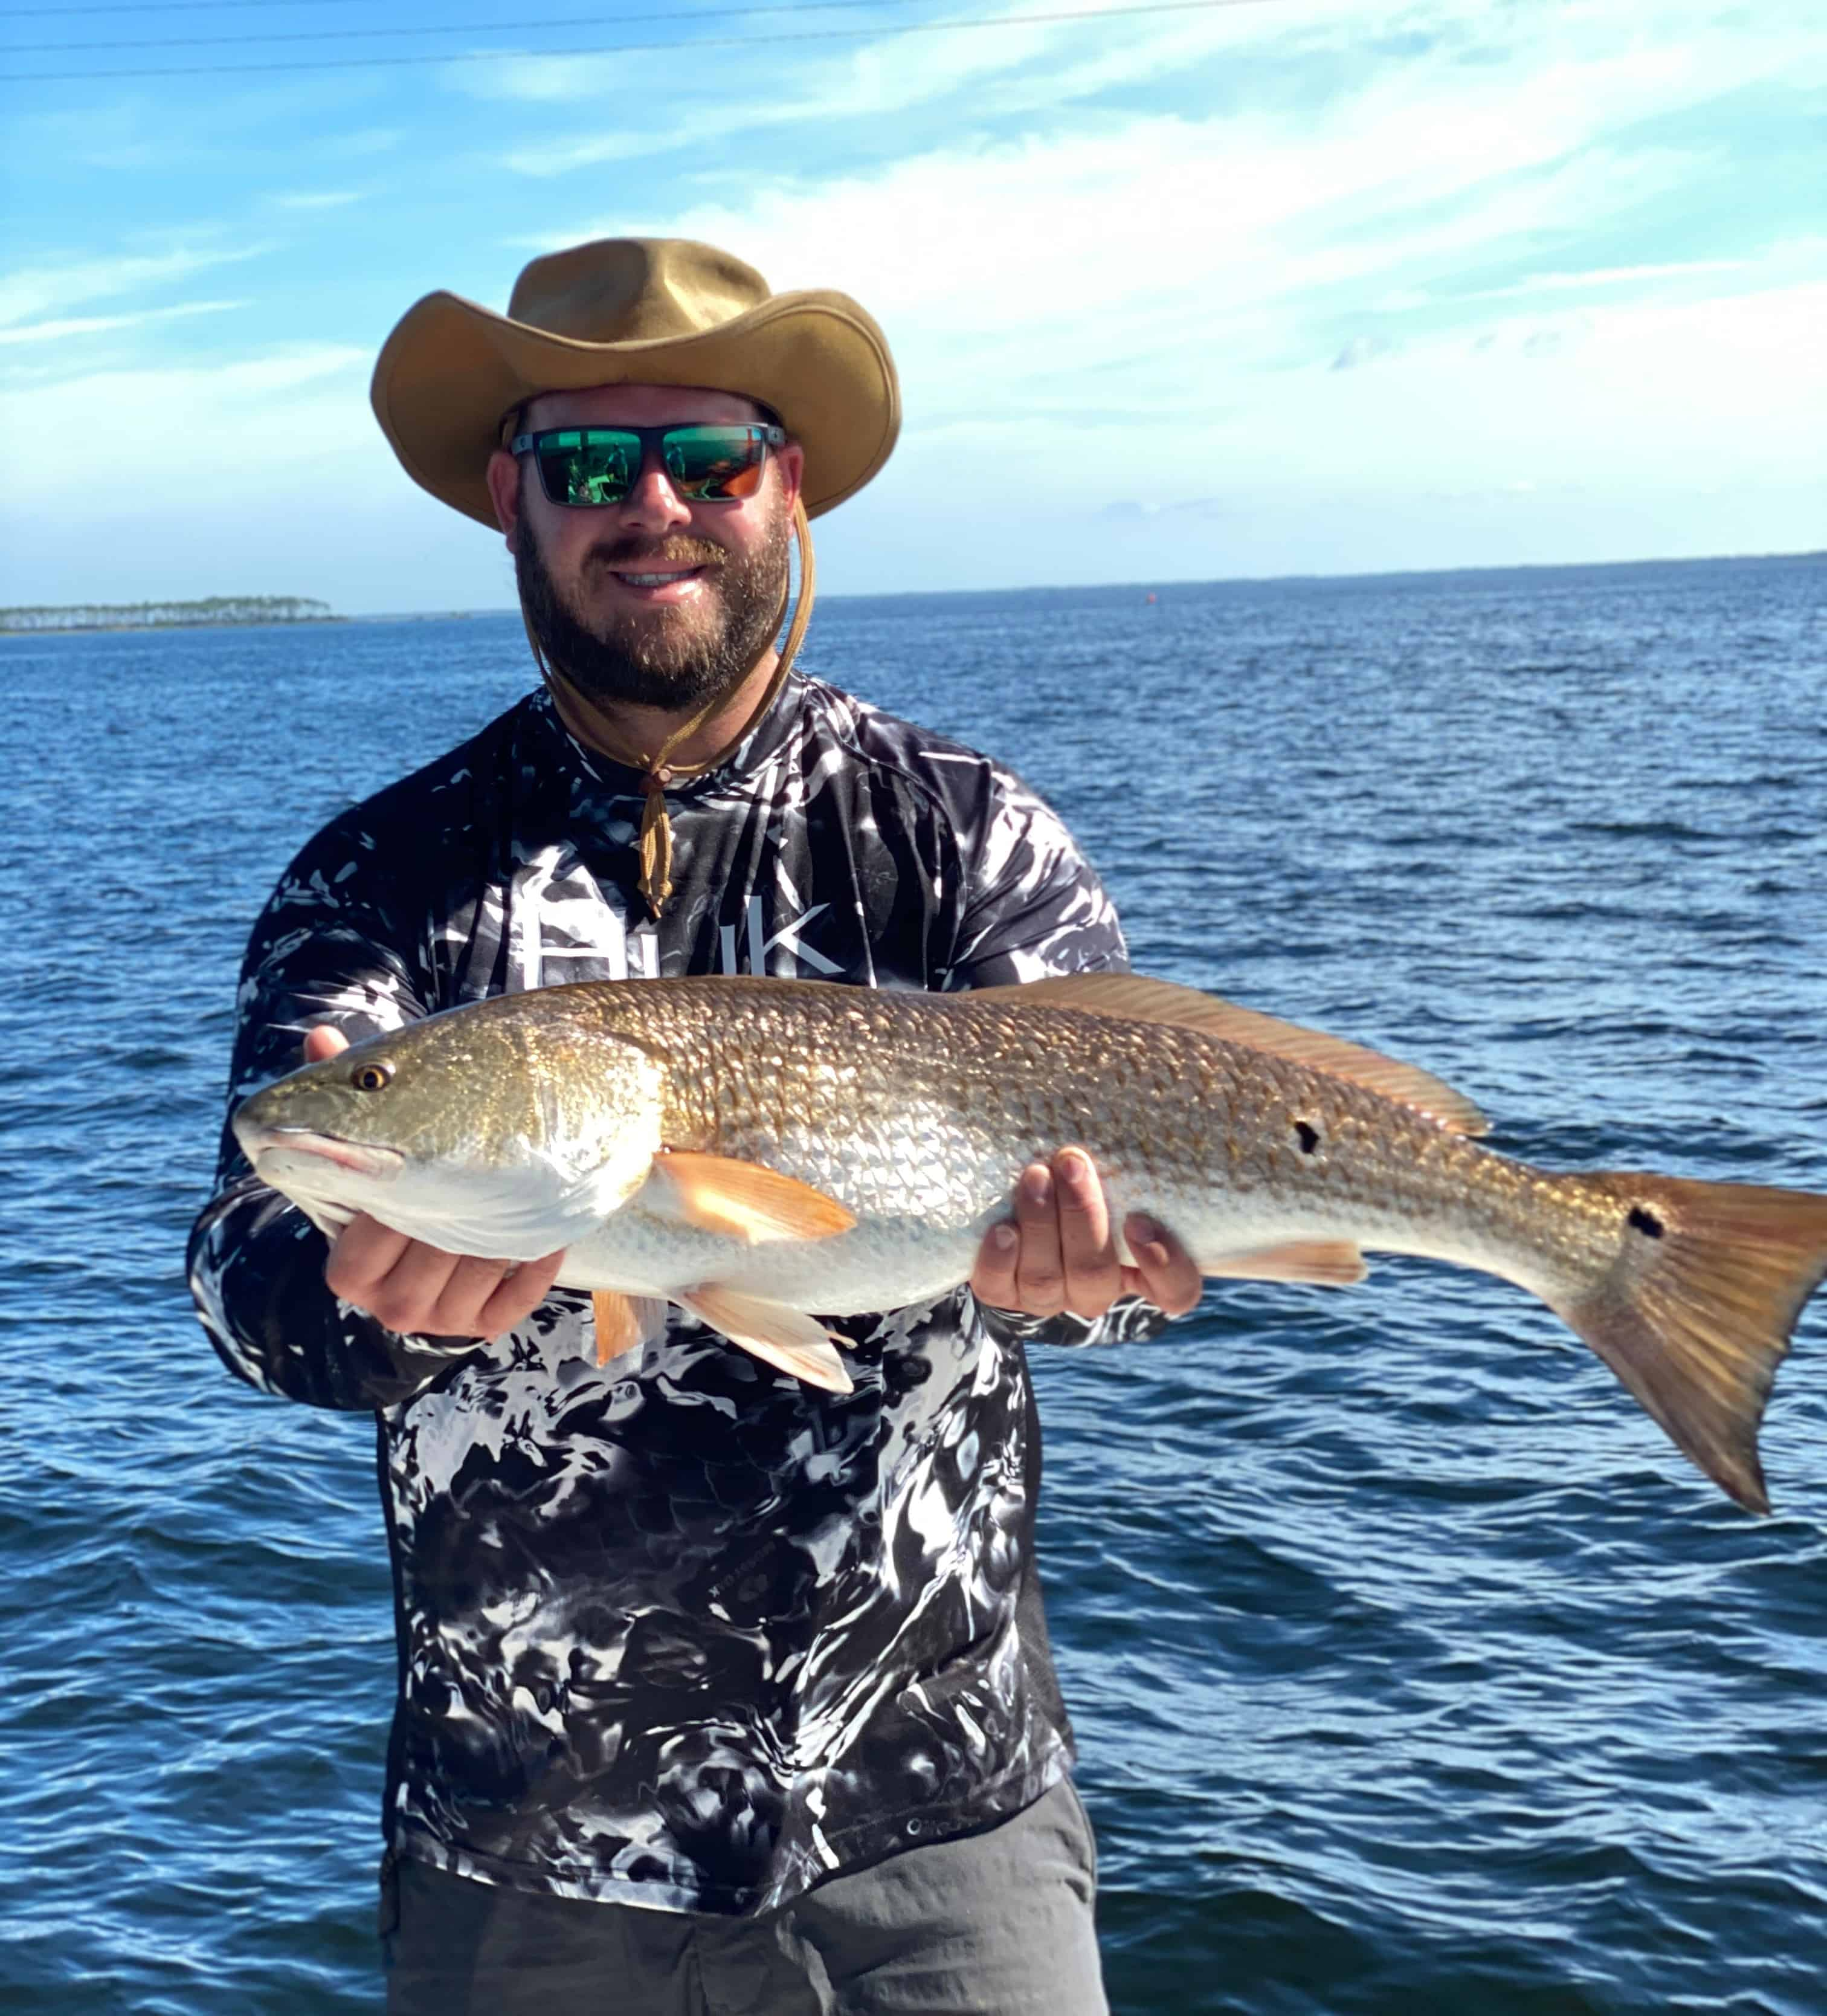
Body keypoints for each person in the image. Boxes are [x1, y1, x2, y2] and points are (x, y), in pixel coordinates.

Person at [188, 237, 1202, 2014]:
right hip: (524, 1868)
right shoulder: (385, 885)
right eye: (589, 463)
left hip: (943, 1838)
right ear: (511, 496)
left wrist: (1090, 1286)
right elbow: (248, 1257)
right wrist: (362, 1300)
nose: (651, 507)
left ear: (783, 486)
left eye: (710, 459)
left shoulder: (968, 836)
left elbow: (1137, 1256)